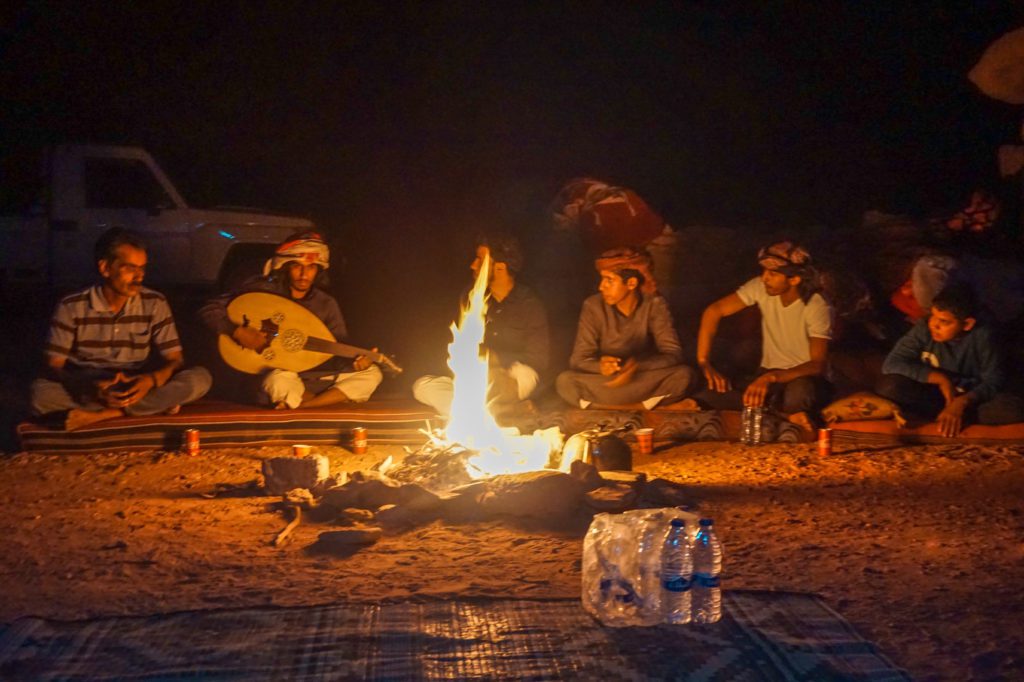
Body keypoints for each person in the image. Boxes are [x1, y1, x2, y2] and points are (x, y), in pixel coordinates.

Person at [30, 228, 211, 430]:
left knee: (200, 378)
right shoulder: (72, 305)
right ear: (105, 268)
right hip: (90, 385)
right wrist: (88, 388)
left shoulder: (154, 302)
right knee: (39, 394)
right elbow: (54, 365)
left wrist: (150, 381)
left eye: (142, 268)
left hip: (135, 384)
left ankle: (102, 416)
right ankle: (149, 408)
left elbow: (176, 360)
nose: (139, 277)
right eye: (130, 268)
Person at [199, 231, 382, 408]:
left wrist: (355, 363)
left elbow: (336, 352)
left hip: (312, 377)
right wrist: (237, 331)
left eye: (310, 268)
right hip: (275, 375)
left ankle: (305, 405)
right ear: (286, 267)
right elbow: (209, 309)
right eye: (297, 266)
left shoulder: (326, 304)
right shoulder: (262, 290)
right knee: (278, 380)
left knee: (372, 373)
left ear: (318, 271)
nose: (304, 275)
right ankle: (320, 402)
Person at [695, 240, 833, 428]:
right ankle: (782, 417)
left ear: (794, 279)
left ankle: (775, 415)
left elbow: (817, 364)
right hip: (767, 375)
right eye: (763, 271)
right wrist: (704, 361)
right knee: (713, 394)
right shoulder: (761, 288)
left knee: (798, 394)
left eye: (772, 273)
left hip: (801, 378)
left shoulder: (816, 305)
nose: (764, 278)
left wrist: (771, 378)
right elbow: (714, 311)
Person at [413, 233, 549, 418]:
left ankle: (474, 413)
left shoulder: (528, 304)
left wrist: (496, 361)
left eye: (480, 260)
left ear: (500, 267)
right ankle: (499, 413)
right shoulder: (470, 297)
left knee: (504, 379)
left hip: (514, 373)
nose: (473, 265)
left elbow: (538, 359)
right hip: (477, 374)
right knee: (422, 386)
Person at [876, 285, 1024, 437]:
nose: (935, 325)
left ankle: (952, 418)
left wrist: (962, 403)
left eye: (944, 321)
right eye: (933, 316)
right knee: (890, 387)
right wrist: (941, 379)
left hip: (972, 398)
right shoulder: (924, 328)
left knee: (1012, 410)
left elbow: (993, 380)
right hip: (937, 396)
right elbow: (892, 363)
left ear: (967, 324)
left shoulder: (983, 336)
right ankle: (946, 416)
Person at [555, 247, 693, 409]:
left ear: (631, 283)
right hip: (608, 382)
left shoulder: (655, 304)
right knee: (565, 381)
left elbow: (673, 353)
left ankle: (606, 410)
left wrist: (637, 367)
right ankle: (642, 409)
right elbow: (578, 359)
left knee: (684, 375)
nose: (601, 287)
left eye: (609, 280)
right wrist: (600, 367)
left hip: (641, 380)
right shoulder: (593, 306)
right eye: (602, 279)